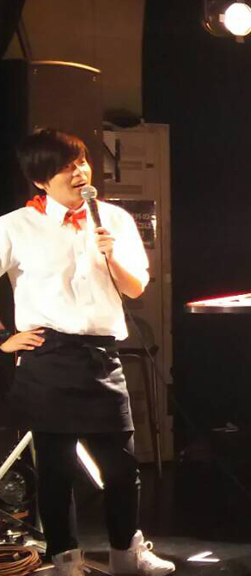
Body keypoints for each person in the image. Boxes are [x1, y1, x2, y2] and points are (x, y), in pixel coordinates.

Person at [1, 129, 175, 576]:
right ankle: (66, 560)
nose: (79, 172)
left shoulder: (114, 218)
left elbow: (135, 287)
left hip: (100, 355)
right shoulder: (15, 225)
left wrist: (111, 255)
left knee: (120, 467)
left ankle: (126, 555)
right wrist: (2, 339)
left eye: (81, 161)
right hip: (48, 356)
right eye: (66, 167)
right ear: (40, 180)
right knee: (56, 471)